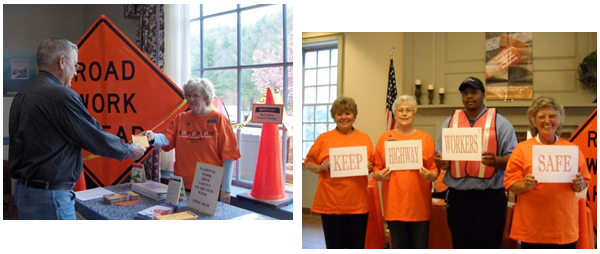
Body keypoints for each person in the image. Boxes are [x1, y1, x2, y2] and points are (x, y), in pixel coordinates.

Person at [9, 37, 146, 220]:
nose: (75, 72)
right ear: (62, 61)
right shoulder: (61, 96)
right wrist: (130, 150)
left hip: (25, 193)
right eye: (76, 65)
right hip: (50, 197)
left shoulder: (22, 94)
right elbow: (94, 136)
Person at [434, 76, 518, 248]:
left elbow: (514, 159)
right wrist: (441, 162)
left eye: (474, 92)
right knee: (460, 245)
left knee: (489, 245)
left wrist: (497, 161)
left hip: (490, 199)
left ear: (483, 95)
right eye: (465, 93)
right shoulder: (449, 123)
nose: (469, 97)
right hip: (458, 198)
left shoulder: (500, 123)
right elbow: (439, 155)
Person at [504, 96, 591, 249]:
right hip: (532, 229)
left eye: (552, 116)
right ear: (533, 121)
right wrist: (524, 185)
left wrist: (580, 184)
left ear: (559, 119)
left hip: (563, 228)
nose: (547, 121)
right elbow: (510, 184)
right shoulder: (521, 149)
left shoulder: (571, 150)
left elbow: (583, 185)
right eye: (541, 117)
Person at [143, 78, 241, 204]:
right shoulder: (181, 118)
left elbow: (229, 156)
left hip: (208, 185)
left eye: (196, 95)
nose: (191, 99)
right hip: (182, 184)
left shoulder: (219, 119)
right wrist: (153, 137)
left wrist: (226, 188)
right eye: (188, 95)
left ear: (206, 97)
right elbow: (167, 138)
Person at [304, 96, 374, 249]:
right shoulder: (324, 139)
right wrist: (320, 167)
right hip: (331, 204)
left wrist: (370, 166)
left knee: (356, 246)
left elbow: (373, 165)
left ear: (354, 116)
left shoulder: (364, 138)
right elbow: (308, 162)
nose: (344, 117)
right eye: (339, 114)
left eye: (348, 113)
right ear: (334, 117)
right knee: (334, 246)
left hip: (357, 204)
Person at [372, 94, 439, 249]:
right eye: (400, 110)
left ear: (414, 114)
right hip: (395, 206)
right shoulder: (384, 138)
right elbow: (376, 169)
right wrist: (378, 175)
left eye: (408, 110)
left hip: (419, 206)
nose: (404, 113)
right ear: (394, 114)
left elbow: (434, 170)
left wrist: (431, 176)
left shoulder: (425, 138)